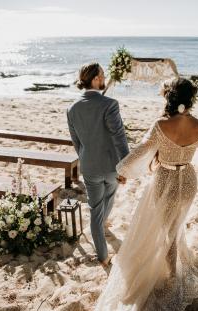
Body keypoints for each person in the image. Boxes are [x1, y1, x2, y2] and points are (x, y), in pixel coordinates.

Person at [95, 78, 198, 310]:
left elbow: (140, 152)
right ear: (191, 99)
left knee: (167, 228)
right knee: (176, 224)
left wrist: (122, 170)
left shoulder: (161, 125)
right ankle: (174, 265)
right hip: (188, 180)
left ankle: (173, 275)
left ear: (170, 98)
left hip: (165, 179)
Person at [67, 62, 129, 266]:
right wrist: (125, 166)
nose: (104, 78)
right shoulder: (109, 104)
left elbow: (77, 143)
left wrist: (86, 159)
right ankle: (102, 224)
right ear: (94, 79)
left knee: (95, 208)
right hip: (111, 166)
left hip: (89, 167)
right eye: (102, 75)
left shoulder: (72, 108)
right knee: (109, 195)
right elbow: (119, 137)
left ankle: (102, 256)